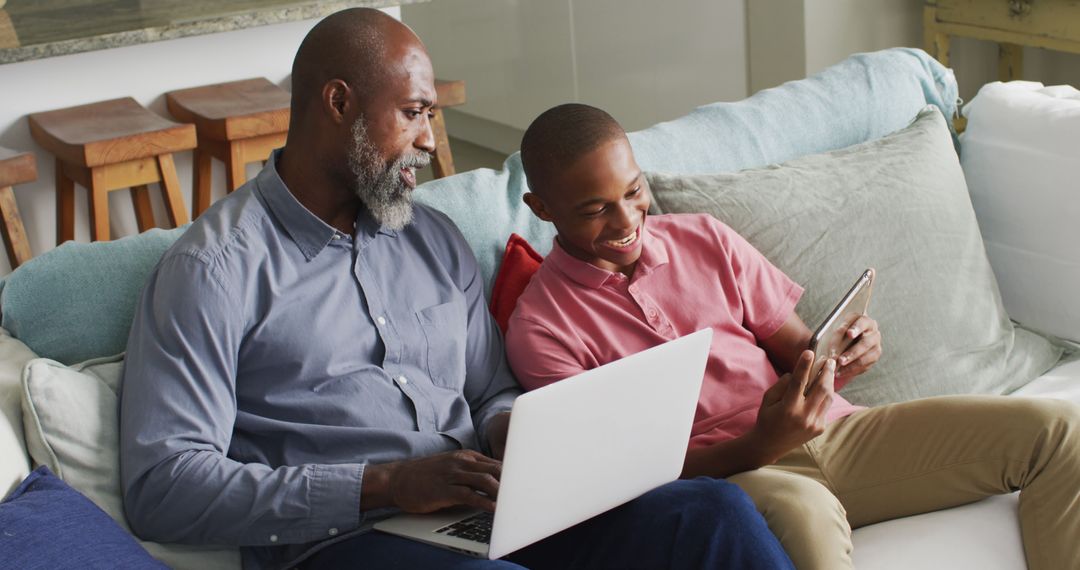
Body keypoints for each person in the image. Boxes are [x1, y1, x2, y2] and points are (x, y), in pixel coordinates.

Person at [119, 9, 794, 570]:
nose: (427, 141)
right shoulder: (213, 271)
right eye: (413, 113)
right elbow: (163, 486)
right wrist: (381, 484)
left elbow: (491, 388)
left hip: (486, 514)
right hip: (348, 542)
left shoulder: (429, 237)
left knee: (712, 514)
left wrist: (515, 441)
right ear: (338, 103)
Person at [505, 102, 1080, 570]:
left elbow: (800, 349)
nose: (627, 221)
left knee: (1059, 430)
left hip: (841, 435)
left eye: (633, 192)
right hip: (741, 478)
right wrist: (759, 443)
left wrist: (842, 356)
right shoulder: (540, 328)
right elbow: (621, 480)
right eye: (595, 210)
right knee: (806, 515)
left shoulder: (703, 238)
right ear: (542, 208)